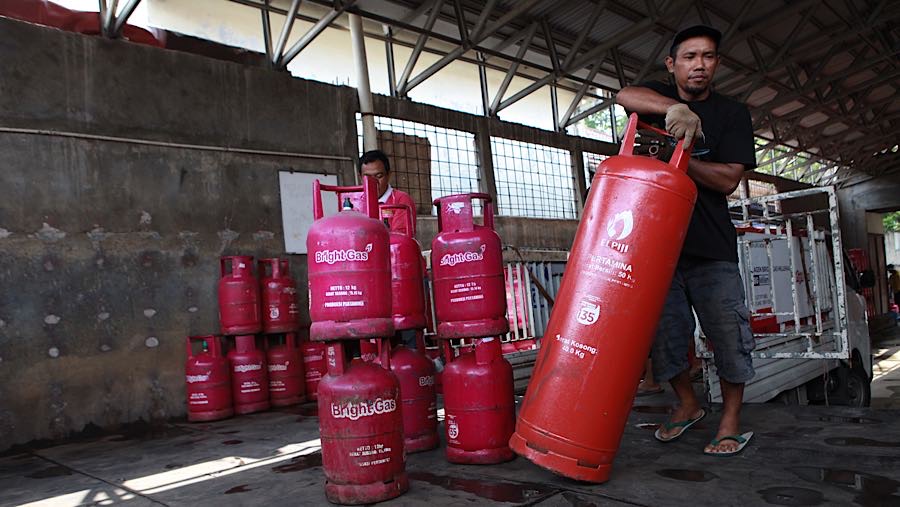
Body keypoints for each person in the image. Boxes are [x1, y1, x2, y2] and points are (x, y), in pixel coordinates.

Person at [617, 25, 757, 456]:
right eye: (690, 57)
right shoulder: (658, 98)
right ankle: (687, 404)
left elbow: (728, 179)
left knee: (728, 333)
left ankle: (730, 420)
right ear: (672, 64)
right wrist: (675, 110)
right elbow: (624, 95)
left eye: (708, 57)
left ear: (717, 64)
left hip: (712, 248)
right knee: (665, 335)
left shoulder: (732, 113)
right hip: (658, 248)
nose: (699, 65)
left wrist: (678, 155)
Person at [359, 149, 417, 236]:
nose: (373, 182)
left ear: (388, 175)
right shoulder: (355, 203)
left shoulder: (401, 200)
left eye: (379, 176)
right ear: (360, 177)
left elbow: (399, 238)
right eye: (367, 178)